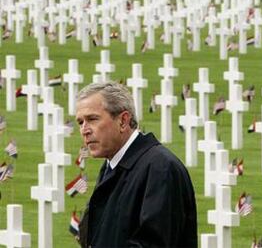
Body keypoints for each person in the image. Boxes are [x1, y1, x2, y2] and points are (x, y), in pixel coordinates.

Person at [75, 82, 197, 247]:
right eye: (80, 122)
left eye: (92, 119)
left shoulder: (160, 168)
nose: (84, 130)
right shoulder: (111, 164)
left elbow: (154, 243)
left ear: (123, 121)